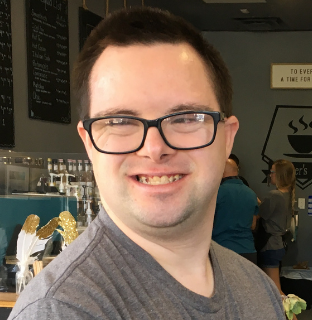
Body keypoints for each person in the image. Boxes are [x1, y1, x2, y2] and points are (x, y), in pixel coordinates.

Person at [9, 7, 285, 319]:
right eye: (120, 121)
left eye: (184, 118)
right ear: (89, 142)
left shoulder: (257, 288)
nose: (155, 148)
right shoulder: (63, 310)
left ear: (227, 138)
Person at [258, 159, 296, 293]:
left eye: (272, 172)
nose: (270, 175)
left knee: (276, 290)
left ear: (280, 174)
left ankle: (291, 315)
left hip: (270, 246)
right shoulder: (287, 195)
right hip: (278, 245)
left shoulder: (274, 195)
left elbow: (260, 214)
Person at [212, 159, 260, 265]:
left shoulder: (217, 193)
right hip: (248, 251)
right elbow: (253, 225)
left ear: (221, 171)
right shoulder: (251, 194)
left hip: (223, 250)